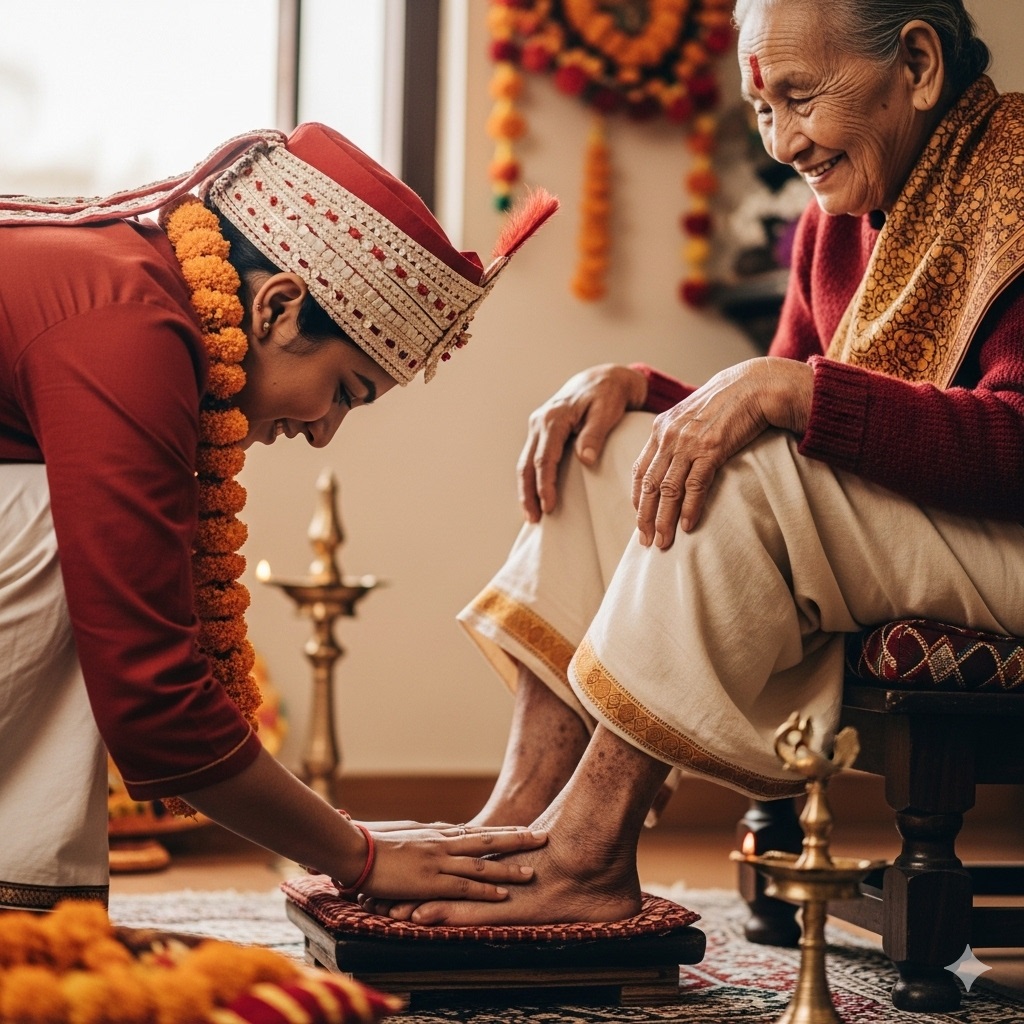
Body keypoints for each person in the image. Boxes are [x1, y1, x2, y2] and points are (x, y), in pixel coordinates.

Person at [359, 0, 1024, 929]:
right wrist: (641, 389)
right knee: (602, 450)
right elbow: (783, 401)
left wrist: (788, 393)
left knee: (739, 487)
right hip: (930, 530)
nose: (784, 140)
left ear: (916, 63)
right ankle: (515, 827)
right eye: (763, 108)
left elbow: (840, 413)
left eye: (800, 97)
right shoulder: (839, 222)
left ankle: (586, 857)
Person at [0, 123, 557, 911]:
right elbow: (151, 696)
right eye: (347, 391)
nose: (326, 429)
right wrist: (359, 857)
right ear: (280, 307)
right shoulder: (131, 329)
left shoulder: (139, 290)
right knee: (64, 525)